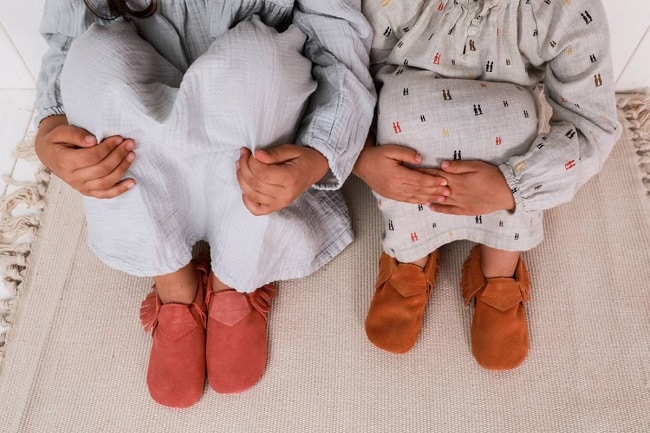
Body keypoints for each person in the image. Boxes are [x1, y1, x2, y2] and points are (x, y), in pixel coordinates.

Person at [34, 0, 375, 407]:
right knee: (93, 58)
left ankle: (236, 275)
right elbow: (70, 35)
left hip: (250, 118)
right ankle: (174, 282)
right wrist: (51, 124)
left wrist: (321, 152)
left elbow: (336, 33)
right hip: (139, 112)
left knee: (255, 62)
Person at [354, 0, 620, 369]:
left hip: (509, 112)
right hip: (408, 108)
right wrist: (362, 156)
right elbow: (349, 73)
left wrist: (514, 185)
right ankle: (410, 255)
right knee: (402, 129)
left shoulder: (564, 9)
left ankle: (499, 265)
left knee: (518, 132)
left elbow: (593, 125)